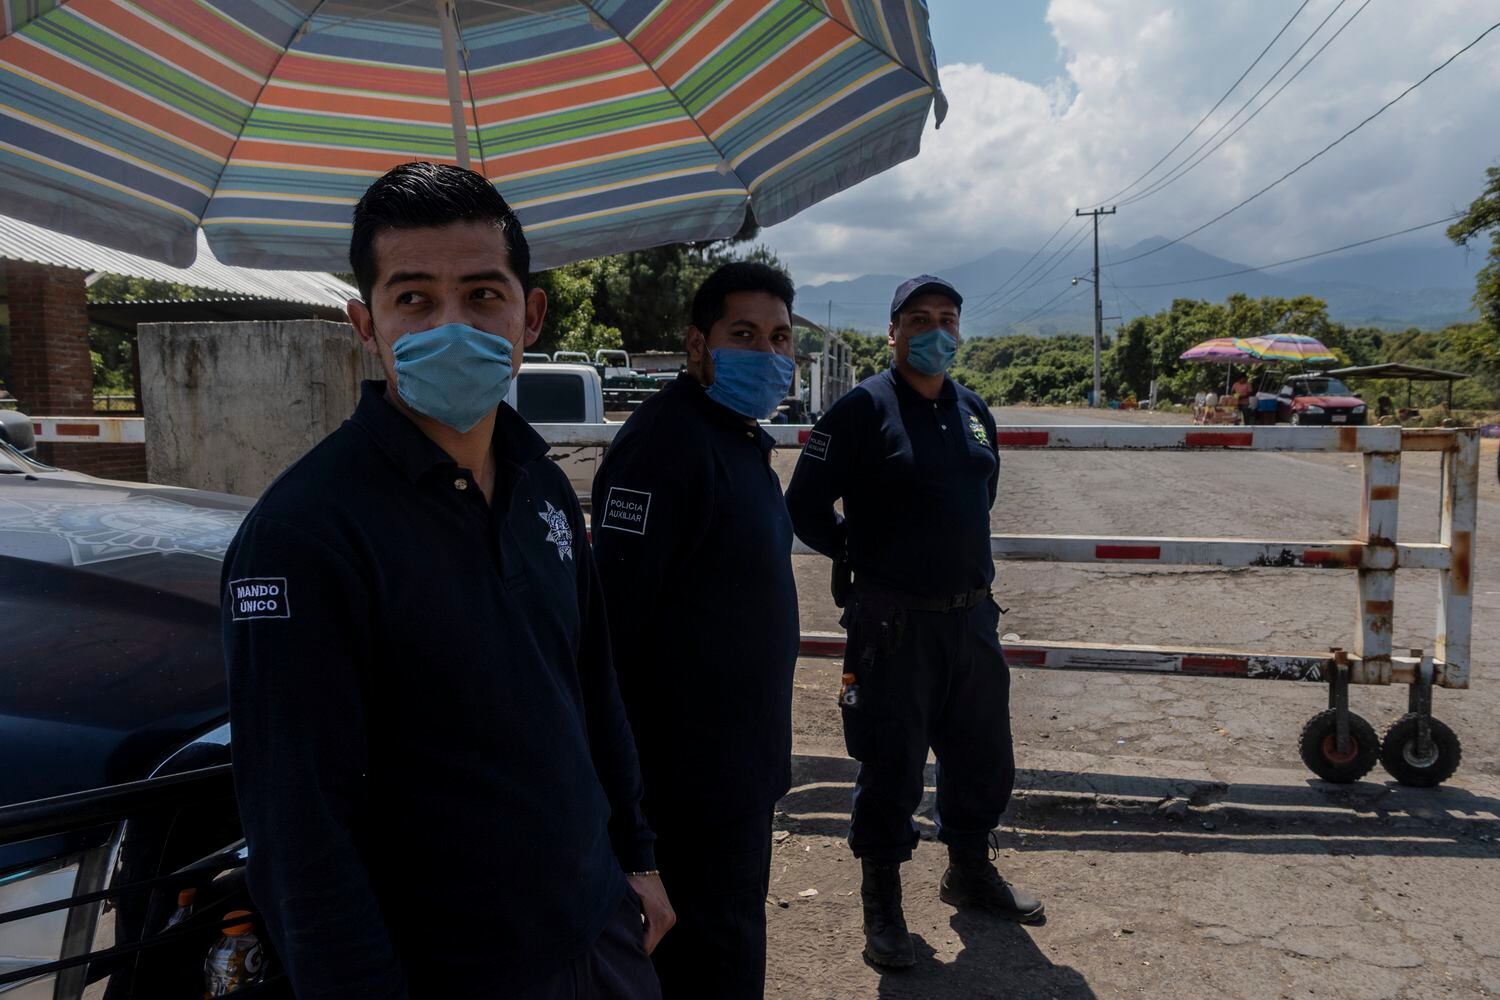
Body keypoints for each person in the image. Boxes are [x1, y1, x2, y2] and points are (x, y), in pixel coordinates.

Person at [222, 161, 672, 1000]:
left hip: (598, 931)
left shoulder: (540, 481)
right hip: (448, 971)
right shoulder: (304, 535)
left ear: (529, 315)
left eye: (483, 294)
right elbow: (299, 830)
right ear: (367, 322)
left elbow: (589, 683)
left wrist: (637, 859)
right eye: (416, 298)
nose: (452, 323)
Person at [784, 274, 1043, 970]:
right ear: (892, 331)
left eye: (948, 319)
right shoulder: (861, 410)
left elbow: (980, 493)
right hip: (893, 625)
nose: (935, 331)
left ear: (960, 331)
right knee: (891, 763)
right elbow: (806, 504)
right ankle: (884, 901)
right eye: (919, 319)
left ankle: (968, 870)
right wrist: (860, 552)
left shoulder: (974, 410)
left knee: (984, 757)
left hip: (971, 621)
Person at [591, 262, 801, 999]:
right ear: (697, 346)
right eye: (743, 334)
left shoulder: (738, 438)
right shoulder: (665, 446)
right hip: (685, 785)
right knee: (706, 961)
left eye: (779, 338)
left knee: (731, 939)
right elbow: (613, 629)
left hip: (738, 771)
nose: (767, 353)